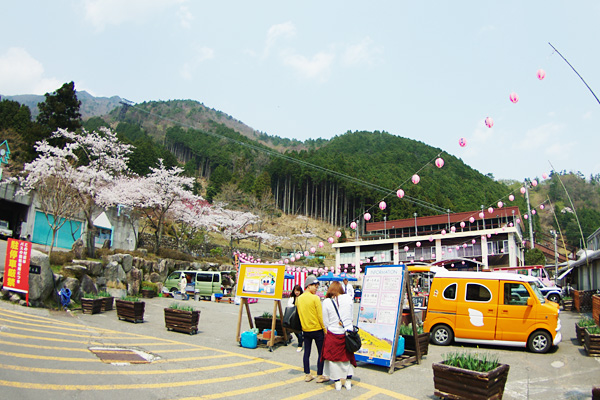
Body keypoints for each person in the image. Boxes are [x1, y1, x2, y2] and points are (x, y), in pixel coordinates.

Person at [322, 281, 357, 391]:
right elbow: (351, 317)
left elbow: (325, 321)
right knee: (347, 358)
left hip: (333, 333)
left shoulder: (327, 302)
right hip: (347, 334)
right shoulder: (348, 299)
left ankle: (337, 382)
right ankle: (348, 381)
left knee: (333, 359)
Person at [296, 275, 328, 383]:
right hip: (317, 329)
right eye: (315, 286)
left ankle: (307, 374)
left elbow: (299, 314)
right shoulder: (315, 298)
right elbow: (320, 315)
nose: (316, 288)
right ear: (308, 286)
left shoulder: (299, 299)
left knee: (307, 353)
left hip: (306, 330)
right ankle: (320, 375)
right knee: (321, 352)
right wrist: (324, 329)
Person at [287, 284, 304, 352]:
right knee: (295, 330)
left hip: (301, 316)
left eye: (298, 291)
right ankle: (301, 340)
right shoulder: (292, 298)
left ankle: (300, 344)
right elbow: (289, 305)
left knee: (299, 331)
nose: (297, 292)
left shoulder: (302, 297)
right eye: (295, 291)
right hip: (294, 316)